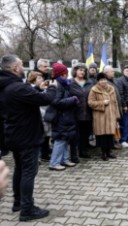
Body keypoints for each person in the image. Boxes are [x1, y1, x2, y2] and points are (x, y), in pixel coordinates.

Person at [0, 55, 57, 221]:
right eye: (20, 65)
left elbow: (27, 98)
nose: (22, 68)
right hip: (27, 136)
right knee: (29, 172)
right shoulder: (17, 87)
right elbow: (46, 99)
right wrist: (52, 88)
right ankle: (27, 209)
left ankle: (18, 202)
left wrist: (38, 88)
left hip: (14, 133)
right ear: (14, 68)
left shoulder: (7, 86)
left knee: (20, 168)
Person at [49, 63, 78, 171]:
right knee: (60, 139)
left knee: (66, 138)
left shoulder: (64, 84)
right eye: (65, 73)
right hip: (60, 117)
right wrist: (72, 99)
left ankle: (64, 159)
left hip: (66, 116)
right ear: (62, 74)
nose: (67, 75)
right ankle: (54, 162)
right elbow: (55, 102)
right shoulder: (57, 85)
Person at [88, 73, 120, 160]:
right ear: (98, 81)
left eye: (105, 79)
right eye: (101, 80)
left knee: (110, 135)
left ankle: (109, 152)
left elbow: (115, 103)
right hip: (100, 117)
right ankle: (103, 153)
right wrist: (102, 103)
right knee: (102, 136)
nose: (103, 81)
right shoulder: (94, 90)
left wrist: (117, 115)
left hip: (111, 116)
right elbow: (90, 103)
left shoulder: (111, 89)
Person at [69, 63, 93, 160]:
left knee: (85, 134)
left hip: (87, 113)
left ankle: (83, 151)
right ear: (75, 71)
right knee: (74, 135)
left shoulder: (89, 82)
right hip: (74, 113)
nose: (82, 72)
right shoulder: (70, 83)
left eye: (84, 70)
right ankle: (73, 154)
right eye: (80, 70)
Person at [26, 71, 52, 162]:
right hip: (40, 116)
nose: (42, 80)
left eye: (42, 78)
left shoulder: (42, 88)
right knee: (40, 137)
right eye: (39, 78)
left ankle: (44, 153)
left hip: (46, 115)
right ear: (33, 80)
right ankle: (41, 155)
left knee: (46, 136)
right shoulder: (31, 90)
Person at [103, 65, 123, 149]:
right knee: (111, 126)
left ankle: (115, 141)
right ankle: (112, 143)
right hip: (109, 108)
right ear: (106, 73)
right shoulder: (104, 82)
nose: (113, 72)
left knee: (115, 126)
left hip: (116, 107)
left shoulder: (114, 81)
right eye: (111, 71)